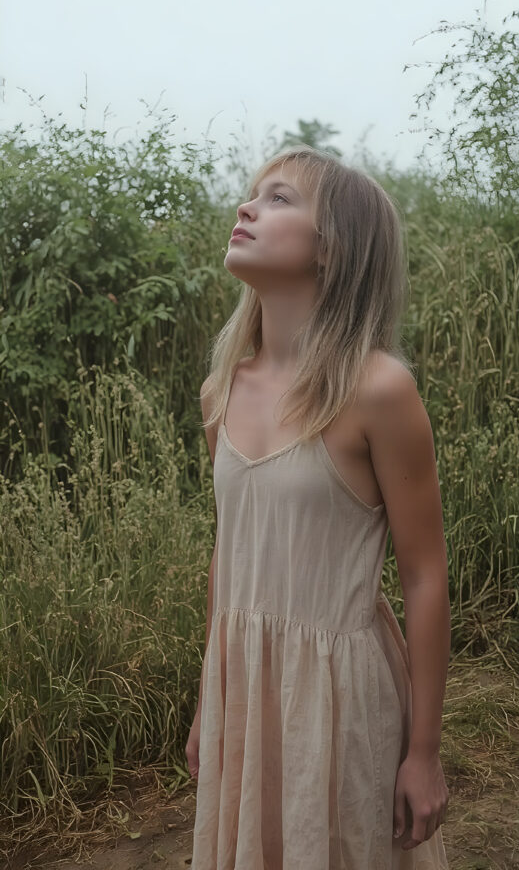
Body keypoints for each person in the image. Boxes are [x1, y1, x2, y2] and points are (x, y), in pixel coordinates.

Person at [186, 148, 450, 870]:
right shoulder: (222, 392)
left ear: (332, 249)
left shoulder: (377, 390)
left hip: (341, 695)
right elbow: (229, 551)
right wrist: (212, 697)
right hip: (247, 683)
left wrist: (423, 753)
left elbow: (426, 575)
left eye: (277, 199)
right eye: (251, 195)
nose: (246, 209)